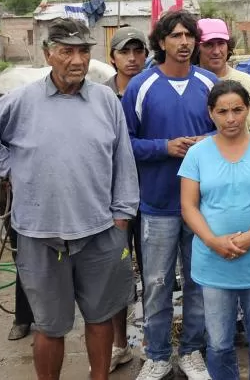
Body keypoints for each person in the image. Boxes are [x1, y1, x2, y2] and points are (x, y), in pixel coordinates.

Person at [0, 18, 140, 380]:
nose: (76, 60)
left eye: (83, 51)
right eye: (66, 51)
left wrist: (122, 217)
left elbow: (124, 161)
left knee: (101, 316)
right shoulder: (21, 101)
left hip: (100, 230)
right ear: (48, 55)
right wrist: (10, 166)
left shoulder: (106, 100)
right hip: (40, 234)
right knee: (49, 325)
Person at [122, 10, 216, 380]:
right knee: (157, 283)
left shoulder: (209, 83)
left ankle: (192, 352)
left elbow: (229, 131)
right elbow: (125, 144)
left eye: (189, 36)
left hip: (202, 205)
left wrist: (206, 141)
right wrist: (165, 147)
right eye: (175, 36)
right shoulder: (140, 86)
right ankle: (158, 355)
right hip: (157, 204)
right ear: (160, 42)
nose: (184, 42)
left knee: (198, 281)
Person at [180, 79, 250, 380]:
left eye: (238, 110)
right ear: (211, 113)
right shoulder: (197, 154)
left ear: (249, 110)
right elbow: (189, 206)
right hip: (213, 262)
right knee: (218, 342)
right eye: (223, 111)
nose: (231, 118)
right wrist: (213, 241)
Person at [104, 25, 149, 373]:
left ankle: (152, 341)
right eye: (124, 52)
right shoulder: (98, 95)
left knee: (154, 270)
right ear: (113, 57)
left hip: (149, 197)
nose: (132, 59)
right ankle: (120, 344)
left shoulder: (152, 90)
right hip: (112, 201)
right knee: (116, 270)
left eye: (138, 52)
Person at [195, 18, 250, 138]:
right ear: (196, 48)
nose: (216, 51)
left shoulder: (246, 82)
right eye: (208, 45)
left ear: (228, 47)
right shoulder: (190, 83)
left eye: (221, 44)